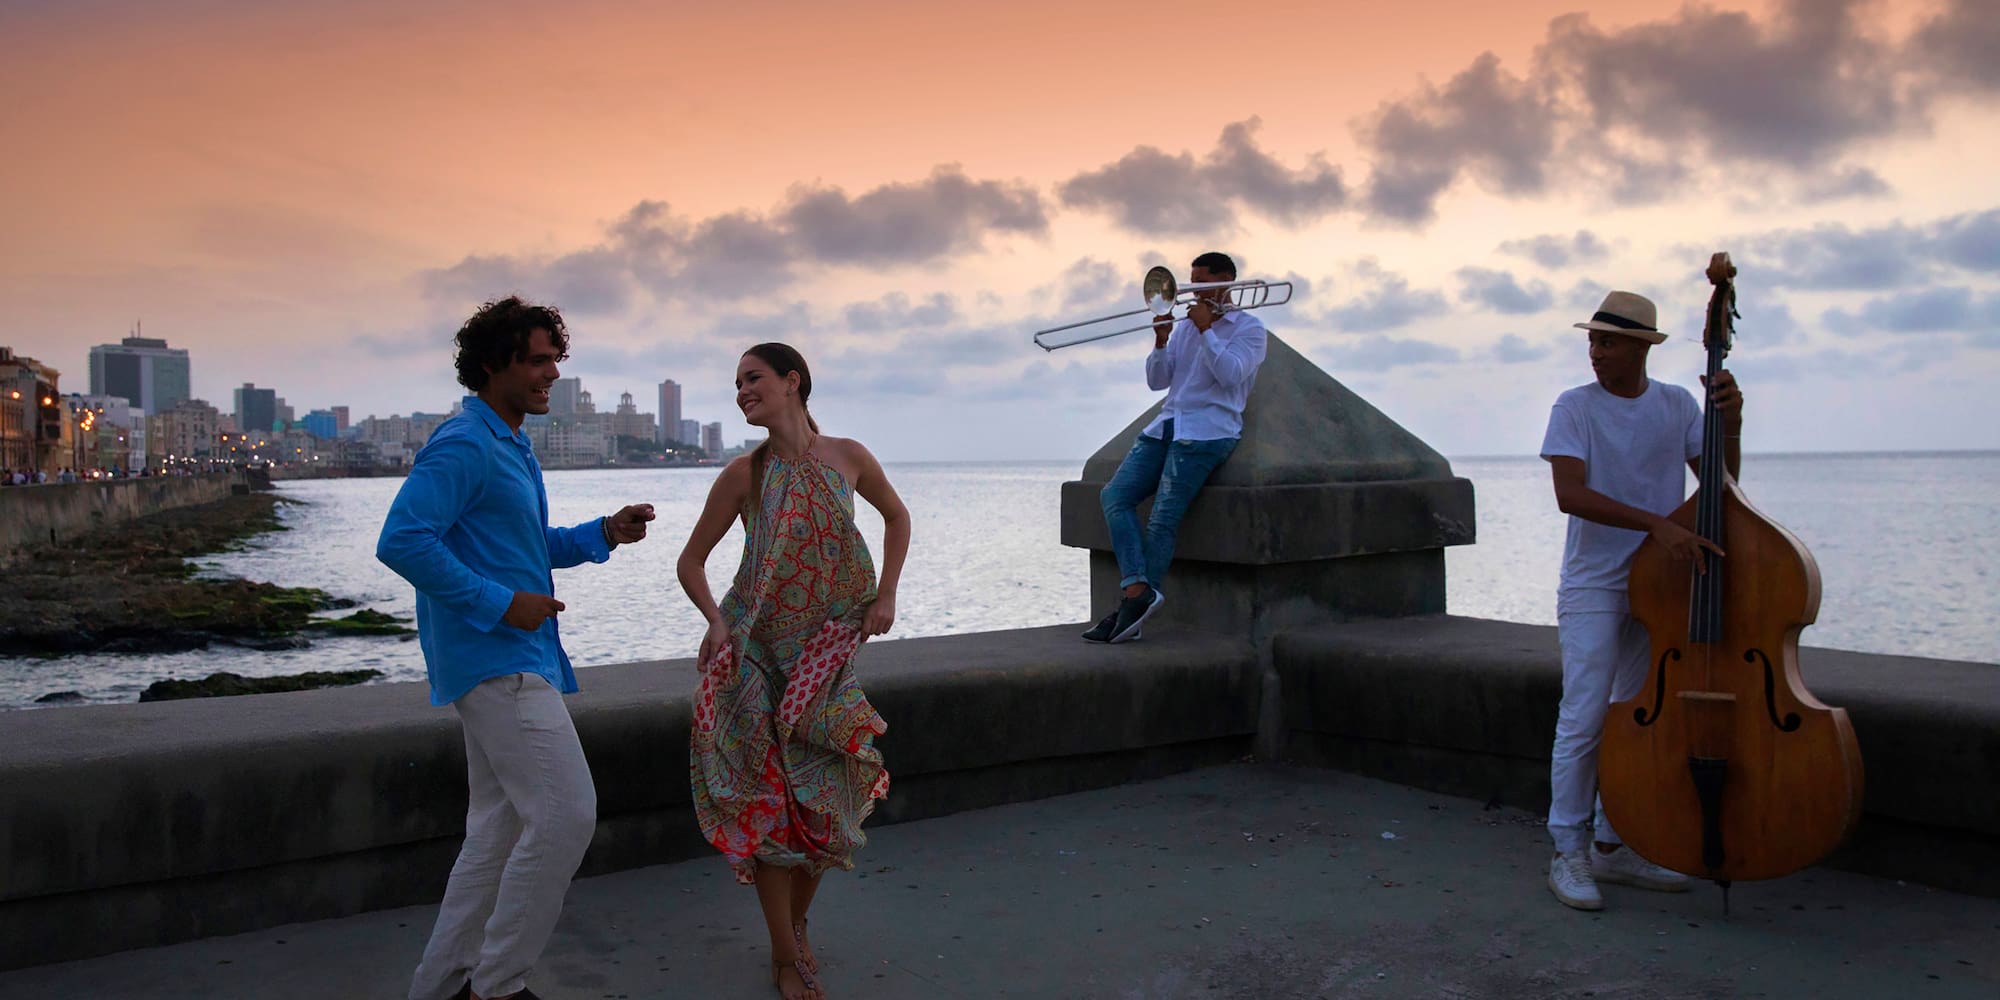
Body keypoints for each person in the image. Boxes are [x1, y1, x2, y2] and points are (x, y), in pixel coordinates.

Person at [377, 296, 656, 1000]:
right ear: (494, 362)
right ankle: (497, 986)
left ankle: (439, 987)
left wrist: (602, 533)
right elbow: (403, 541)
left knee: (495, 835)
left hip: (510, 655)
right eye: (537, 360)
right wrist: (503, 604)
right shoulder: (465, 442)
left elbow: (520, 547)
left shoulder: (509, 441)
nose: (551, 374)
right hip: (494, 660)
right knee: (566, 815)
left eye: (556, 360)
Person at [679, 343, 909, 1000]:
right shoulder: (743, 475)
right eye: (735, 383)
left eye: (752, 380)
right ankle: (785, 955)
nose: (741, 392)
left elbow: (897, 515)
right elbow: (691, 562)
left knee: (832, 802)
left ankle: (796, 925)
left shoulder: (848, 457)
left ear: (792, 381)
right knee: (769, 807)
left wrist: (886, 593)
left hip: (826, 654)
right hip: (752, 655)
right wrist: (716, 622)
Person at [1540, 289, 1743, 911]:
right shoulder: (1574, 407)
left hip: (1659, 585)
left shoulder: (1678, 404)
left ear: (1640, 348)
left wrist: (1730, 425)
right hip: (1595, 583)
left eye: (1607, 342)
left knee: (1635, 712)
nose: (1595, 352)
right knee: (1585, 713)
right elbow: (1570, 495)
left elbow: (1723, 487)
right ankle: (1566, 846)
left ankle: (1612, 844)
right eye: (1592, 341)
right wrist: (1656, 524)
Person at [1086, 251, 1268, 644]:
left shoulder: (1249, 329)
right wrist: (1162, 340)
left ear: (1225, 282)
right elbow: (1158, 381)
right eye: (1191, 280)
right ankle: (1137, 592)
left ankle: (1130, 613)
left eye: (1201, 281)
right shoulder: (1185, 327)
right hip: (1168, 425)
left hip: (1208, 432)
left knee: (1162, 521)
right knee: (1114, 496)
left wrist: (1208, 332)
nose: (1192, 290)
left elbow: (1231, 375)